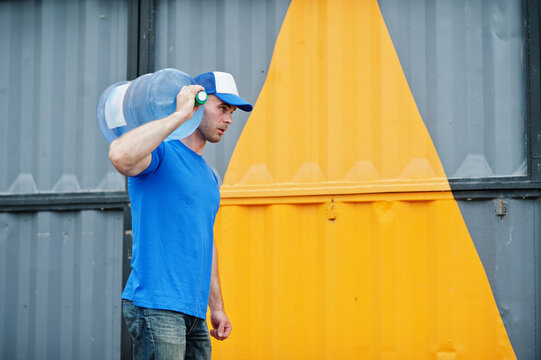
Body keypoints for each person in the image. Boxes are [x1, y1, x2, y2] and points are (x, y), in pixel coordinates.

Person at [109, 71, 253, 359]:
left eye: (232, 112)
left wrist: (217, 307)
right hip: (157, 305)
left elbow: (205, 241)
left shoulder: (209, 176)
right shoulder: (160, 153)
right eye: (222, 108)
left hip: (194, 312)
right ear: (197, 104)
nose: (229, 119)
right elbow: (119, 155)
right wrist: (180, 114)